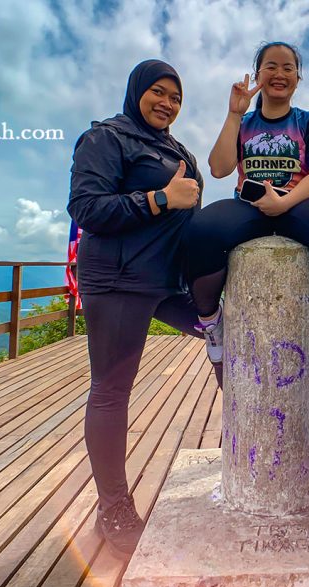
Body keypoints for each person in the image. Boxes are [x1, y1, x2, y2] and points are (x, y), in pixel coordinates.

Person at [66, 59, 204, 555]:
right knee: (111, 389)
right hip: (119, 281)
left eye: (176, 97)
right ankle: (113, 505)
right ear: (137, 91)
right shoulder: (107, 138)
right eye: (158, 93)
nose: (167, 103)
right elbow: (86, 209)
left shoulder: (177, 149)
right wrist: (159, 199)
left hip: (167, 283)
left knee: (227, 338)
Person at [183, 42, 309, 366]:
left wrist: (285, 203)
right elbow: (219, 168)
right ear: (258, 74)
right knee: (201, 229)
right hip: (249, 206)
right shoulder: (244, 123)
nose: (279, 74)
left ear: (298, 79)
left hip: (297, 203)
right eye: (271, 66)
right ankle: (211, 320)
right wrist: (233, 114)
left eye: (288, 68)